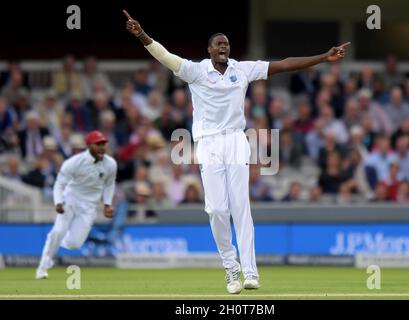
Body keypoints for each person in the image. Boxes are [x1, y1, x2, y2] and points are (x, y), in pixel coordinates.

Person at [123, 10, 349, 294]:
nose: (223, 47)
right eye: (218, 44)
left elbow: (282, 65)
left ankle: (250, 271)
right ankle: (231, 267)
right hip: (208, 144)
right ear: (209, 50)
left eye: (226, 44)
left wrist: (322, 57)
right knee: (217, 209)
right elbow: (165, 56)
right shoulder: (196, 71)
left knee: (241, 207)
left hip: (235, 140)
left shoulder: (241, 70)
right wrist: (141, 35)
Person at [35, 130, 117, 279]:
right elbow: (59, 184)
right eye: (98, 144)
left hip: (89, 207)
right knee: (59, 231)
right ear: (89, 145)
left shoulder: (110, 164)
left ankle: (55, 239)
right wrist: (58, 202)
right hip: (71, 199)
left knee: (75, 244)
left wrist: (107, 204)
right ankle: (43, 266)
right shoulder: (74, 162)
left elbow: (109, 184)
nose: (102, 147)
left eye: (103, 144)